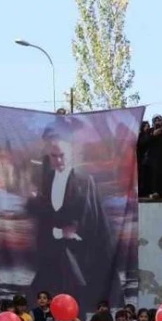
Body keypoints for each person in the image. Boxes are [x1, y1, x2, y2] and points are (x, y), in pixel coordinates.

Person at [26, 128, 122, 310]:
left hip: (78, 250)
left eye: (62, 155)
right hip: (53, 248)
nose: (59, 160)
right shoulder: (47, 178)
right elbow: (47, 211)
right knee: (42, 295)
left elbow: (90, 214)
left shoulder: (84, 180)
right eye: (54, 156)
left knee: (77, 294)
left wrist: (73, 230)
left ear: (70, 155)